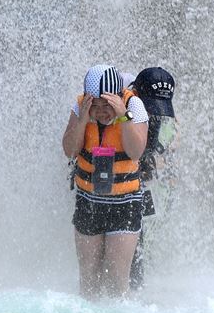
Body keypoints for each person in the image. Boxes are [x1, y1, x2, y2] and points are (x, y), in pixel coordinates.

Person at [62, 64, 149, 299]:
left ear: (118, 97)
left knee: (116, 282)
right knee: (88, 281)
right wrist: (82, 119)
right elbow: (70, 150)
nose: (101, 111)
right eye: (96, 105)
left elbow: (135, 152)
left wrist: (122, 116)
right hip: (89, 200)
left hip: (125, 202)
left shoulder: (134, 107)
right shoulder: (81, 106)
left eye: (107, 104)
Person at [129, 67, 177, 290]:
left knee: (138, 235)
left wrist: (157, 156)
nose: (153, 112)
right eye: (149, 107)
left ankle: (135, 287)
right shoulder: (116, 105)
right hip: (102, 186)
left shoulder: (158, 118)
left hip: (136, 186)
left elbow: (174, 132)